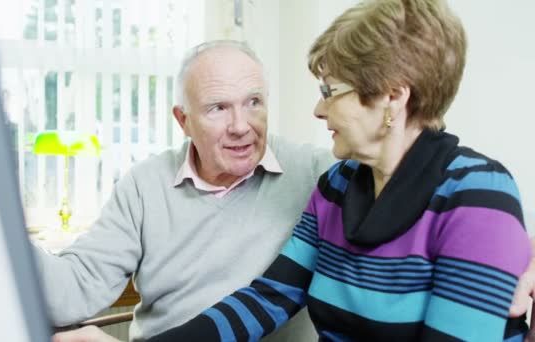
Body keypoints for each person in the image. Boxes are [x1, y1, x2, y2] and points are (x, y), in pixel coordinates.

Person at [145, 0, 532, 341]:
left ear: (392, 97)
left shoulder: (477, 196)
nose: (318, 109)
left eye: (330, 91)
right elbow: (268, 298)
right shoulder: (338, 184)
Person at [37, 40, 332, 342]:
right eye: (218, 108)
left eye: (253, 102)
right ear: (183, 120)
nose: (240, 126)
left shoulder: (318, 175)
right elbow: (76, 288)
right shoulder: (144, 186)